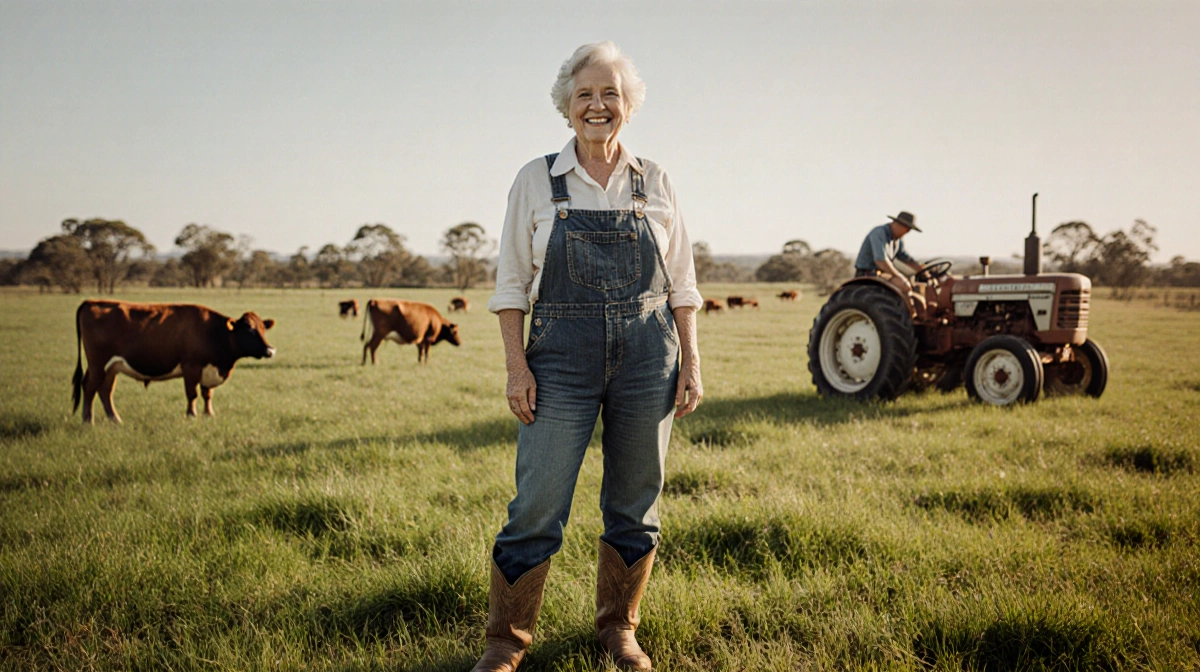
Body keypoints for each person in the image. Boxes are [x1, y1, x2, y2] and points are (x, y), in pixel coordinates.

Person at [476, 41, 704, 672]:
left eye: (610, 94)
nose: (597, 105)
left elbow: (682, 284)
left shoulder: (654, 180)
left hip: (647, 356)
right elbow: (511, 284)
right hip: (559, 361)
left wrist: (691, 362)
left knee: (636, 501)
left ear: (627, 106)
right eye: (585, 94)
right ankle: (505, 641)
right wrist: (516, 366)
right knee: (537, 503)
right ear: (566, 106)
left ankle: (618, 630)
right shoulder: (535, 179)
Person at [854, 211, 926, 295]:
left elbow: (905, 258)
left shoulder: (897, 241)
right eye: (906, 228)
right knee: (903, 285)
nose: (907, 231)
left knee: (916, 285)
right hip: (868, 275)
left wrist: (921, 269)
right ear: (896, 223)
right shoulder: (879, 233)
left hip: (882, 274)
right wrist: (899, 276)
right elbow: (881, 261)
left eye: (909, 229)